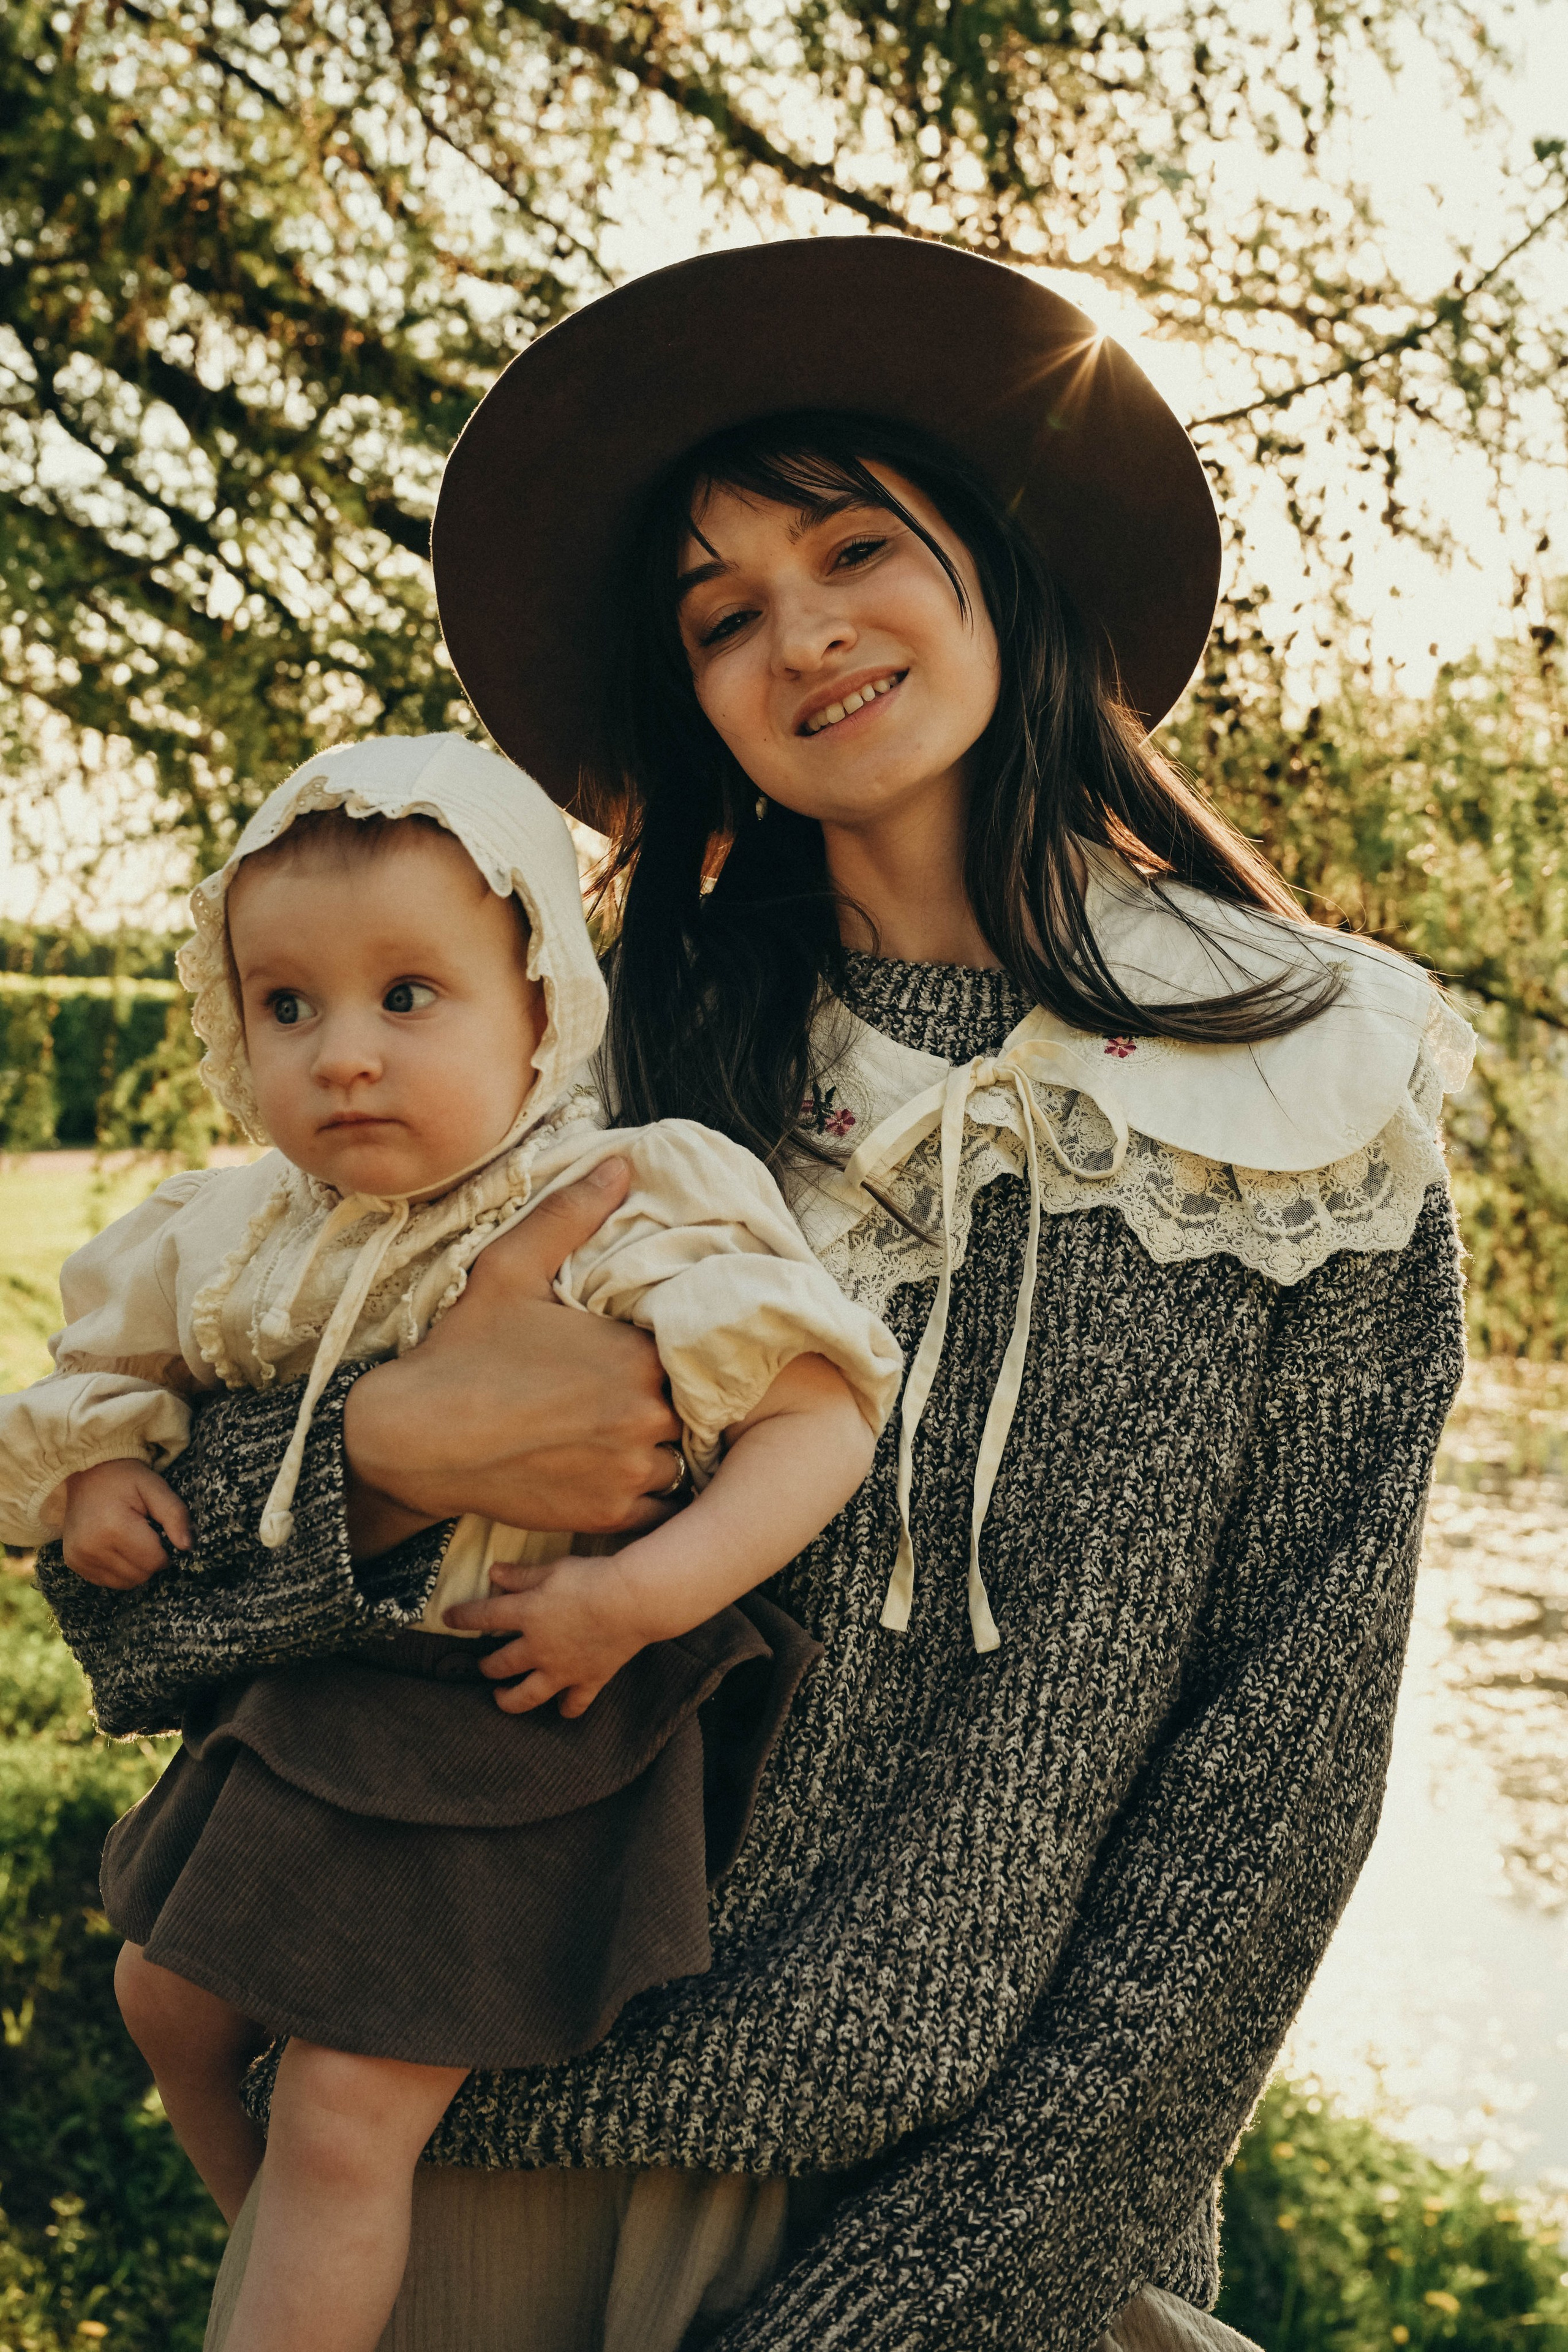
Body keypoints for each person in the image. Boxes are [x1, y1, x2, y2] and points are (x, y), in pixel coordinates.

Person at [34, 236, 1474, 2352]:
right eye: (720, 616)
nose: (802, 636)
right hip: (468, 2173)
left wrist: (913, 2309)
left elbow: (1274, 1793)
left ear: (995, 563)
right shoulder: (571, 1104)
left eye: (852, 548)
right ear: (684, 695)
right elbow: (134, 1620)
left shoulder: (1315, 1094)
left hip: (995, 2248)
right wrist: (383, 1459)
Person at [2, 731, 902, 2352]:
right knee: (161, 1995)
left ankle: (312, 2286)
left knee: (353, 2103)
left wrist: (638, 1596)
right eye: (291, 1007)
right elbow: (109, 1381)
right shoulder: (237, 1233)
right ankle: (307, 2260)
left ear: (541, 1009)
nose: (345, 1055)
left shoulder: (622, 1195)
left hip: (534, 1703)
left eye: (408, 997)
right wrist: (99, 1482)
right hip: (335, 1688)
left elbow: (821, 1416)